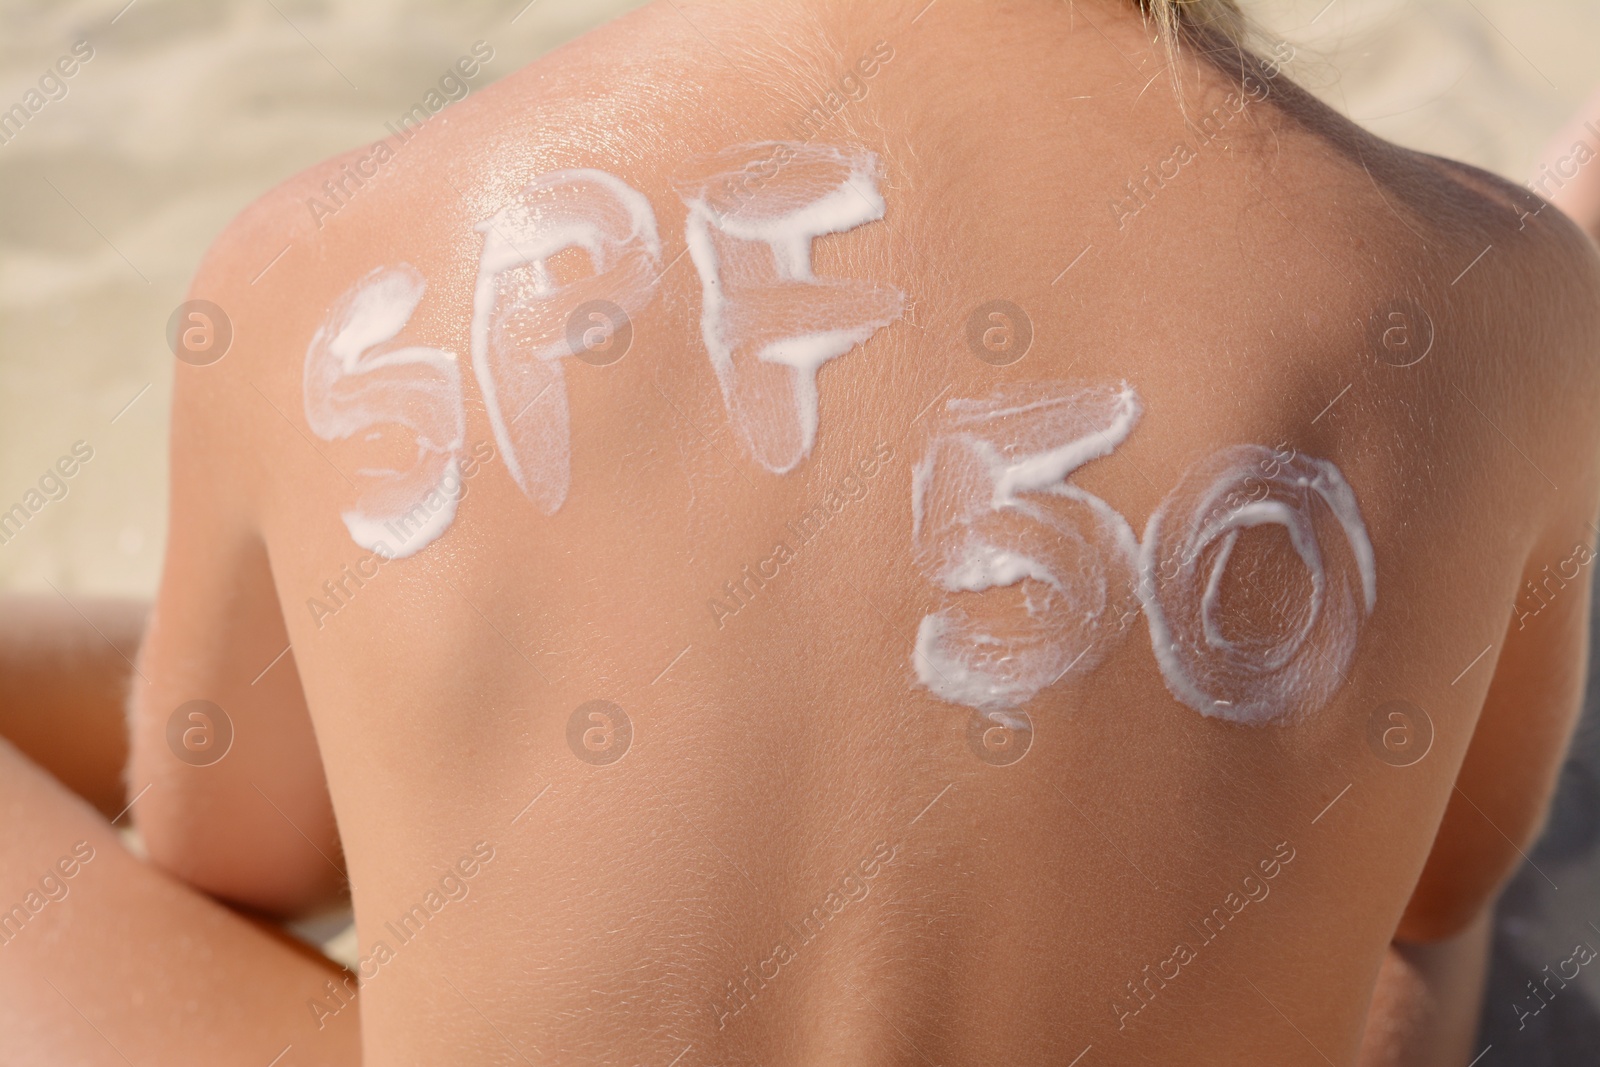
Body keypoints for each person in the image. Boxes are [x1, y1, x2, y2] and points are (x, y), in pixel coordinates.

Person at [4, 1, 1600, 1063]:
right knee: (1396, 939)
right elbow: (1446, 879)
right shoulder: (1491, 286)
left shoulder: (321, 250)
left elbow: (236, 852)